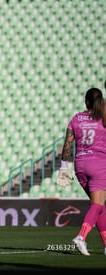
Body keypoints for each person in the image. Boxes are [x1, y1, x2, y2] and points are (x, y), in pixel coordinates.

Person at [56, 87, 106, 256]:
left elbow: (67, 144)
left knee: (99, 206)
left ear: (86, 102)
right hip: (99, 165)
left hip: (80, 166)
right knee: (97, 205)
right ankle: (81, 237)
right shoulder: (103, 117)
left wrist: (63, 167)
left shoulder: (77, 118)